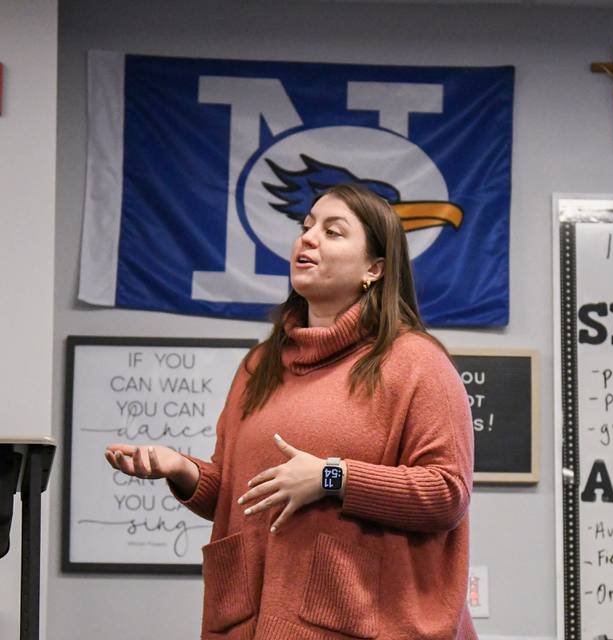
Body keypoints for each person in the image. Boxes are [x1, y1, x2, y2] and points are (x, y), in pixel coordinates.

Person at [104, 183, 477, 639]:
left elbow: (445, 493)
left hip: (362, 626)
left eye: (333, 232)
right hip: (248, 623)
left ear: (375, 269)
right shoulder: (260, 365)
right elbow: (241, 496)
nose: (308, 238)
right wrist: (183, 470)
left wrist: (331, 478)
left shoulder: (416, 362)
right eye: (306, 226)